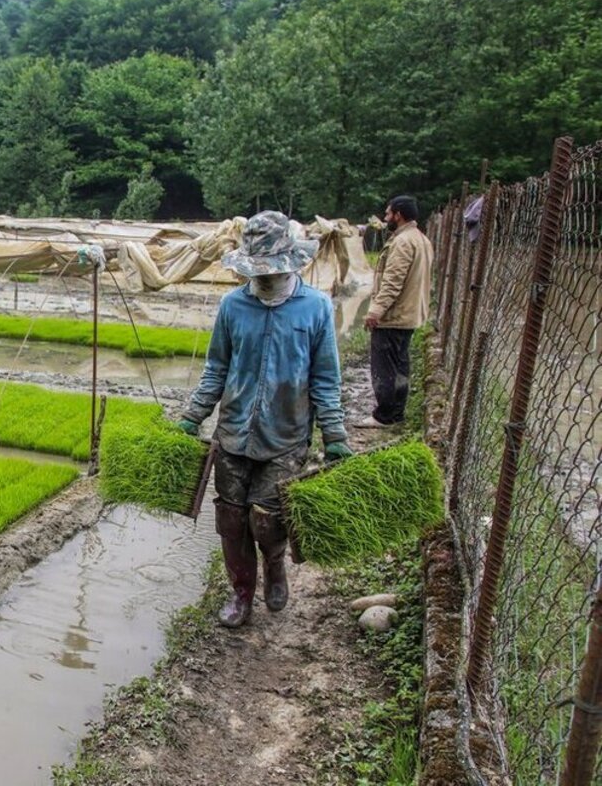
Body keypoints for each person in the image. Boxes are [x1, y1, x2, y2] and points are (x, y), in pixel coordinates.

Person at [176, 211, 352, 628]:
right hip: (234, 431)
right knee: (231, 520)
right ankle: (241, 595)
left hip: (287, 435)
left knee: (267, 519)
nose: (265, 279)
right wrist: (192, 417)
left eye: (271, 271)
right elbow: (216, 369)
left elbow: (326, 379)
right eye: (258, 272)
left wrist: (335, 435)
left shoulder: (315, 309)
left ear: (290, 262)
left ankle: (275, 567)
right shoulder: (233, 306)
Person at [357, 195, 433, 428]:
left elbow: (393, 282)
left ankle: (385, 415)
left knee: (384, 367)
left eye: (389, 213)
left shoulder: (402, 243)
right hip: (409, 314)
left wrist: (375, 312)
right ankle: (397, 413)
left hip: (394, 316)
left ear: (398, 215)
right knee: (400, 365)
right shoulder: (421, 239)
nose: (386, 218)